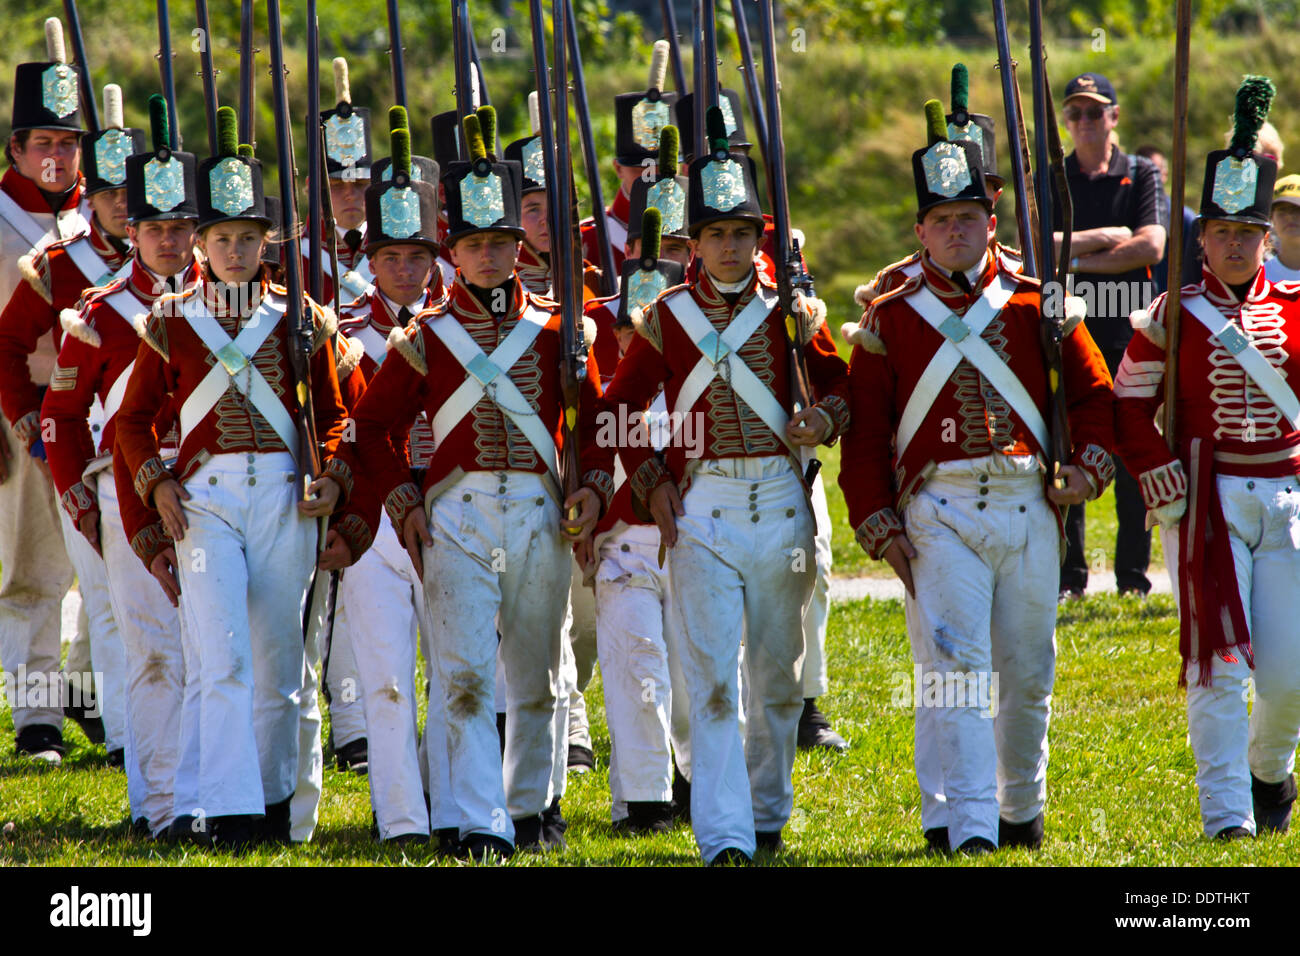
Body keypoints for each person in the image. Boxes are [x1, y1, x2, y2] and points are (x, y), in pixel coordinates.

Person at [324, 116, 604, 861]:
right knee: (465, 678)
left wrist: (595, 491)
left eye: (500, 244)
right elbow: (372, 427)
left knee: (538, 677)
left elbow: (594, 425)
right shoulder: (427, 338)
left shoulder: (554, 331)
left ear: (519, 249)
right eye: (475, 246)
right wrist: (405, 502)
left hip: (540, 517)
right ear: (455, 253)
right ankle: (479, 820)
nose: (488, 257)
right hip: (458, 518)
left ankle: (536, 805)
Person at [841, 101, 1115, 853]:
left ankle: (1019, 811)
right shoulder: (888, 318)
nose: (957, 231)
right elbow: (864, 436)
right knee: (956, 674)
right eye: (942, 220)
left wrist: (1088, 471)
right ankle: (967, 827)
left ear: (991, 222)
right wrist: (877, 520)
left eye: (970, 216)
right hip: (941, 511)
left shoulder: (1038, 300)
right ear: (920, 231)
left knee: (1028, 675)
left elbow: (1095, 396)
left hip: (1027, 504)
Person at [592, 107, 848, 865]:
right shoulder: (666, 317)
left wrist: (822, 421)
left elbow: (845, 391)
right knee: (709, 683)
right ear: (693, 244)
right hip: (702, 508)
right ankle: (725, 836)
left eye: (743, 234)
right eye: (716, 235)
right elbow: (617, 412)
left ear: (758, 239)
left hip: (780, 500)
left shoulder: (792, 313)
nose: (730, 247)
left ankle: (766, 813)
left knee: (777, 680)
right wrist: (650, 484)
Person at [114, 107, 351, 849]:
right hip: (207, 502)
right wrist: (156, 484)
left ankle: (276, 801)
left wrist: (333, 479)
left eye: (249, 237)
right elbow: (130, 422)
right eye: (222, 239)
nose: (237, 251)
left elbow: (340, 416)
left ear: (266, 241)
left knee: (281, 661)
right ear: (201, 245)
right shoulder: (171, 320)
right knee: (221, 658)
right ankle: (228, 809)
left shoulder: (301, 317)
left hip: (285, 497)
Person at [1115, 76, 1300, 839]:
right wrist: (1156, 461)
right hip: (1209, 501)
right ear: (1202, 238)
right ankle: (1227, 815)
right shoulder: (1171, 316)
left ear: (1266, 238)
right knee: (1219, 669)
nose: (1232, 244)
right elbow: (1128, 402)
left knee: (1288, 677)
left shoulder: (1294, 308)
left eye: (1246, 232)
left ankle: (1268, 772)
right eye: (1220, 231)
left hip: (1287, 493)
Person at [41, 93, 200, 836]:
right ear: (130, 230)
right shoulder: (102, 311)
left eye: (181, 228)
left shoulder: (224, 305)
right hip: (125, 491)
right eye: (156, 229)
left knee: (218, 650)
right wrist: (79, 501)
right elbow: (63, 418)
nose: (170, 242)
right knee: (150, 651)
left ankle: (218, 796)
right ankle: (158, 804)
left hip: (213, 487)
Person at [329, 114, 453, 845]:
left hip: (448, 508)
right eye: (392, 256)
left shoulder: (456, 328)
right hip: (376, 515)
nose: (405, 270)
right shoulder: (339, 329)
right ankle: (400, 817)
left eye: (418, 256)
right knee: (383, 677)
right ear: (369, 260)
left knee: (455, 672)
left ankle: (447, 801)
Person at [0, 22, 98, 765]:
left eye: (68, 144)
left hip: (97, 413)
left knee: (105, 560)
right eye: (43, 144)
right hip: (18, 410)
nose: (57, 157)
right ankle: (35, 714)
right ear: (16, 151)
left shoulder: (105, 218)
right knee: (30, 569)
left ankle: (91, 691)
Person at [1054, 72, 1165, 600]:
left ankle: (1132, 580)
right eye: (1075, 113)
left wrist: (1075, 258)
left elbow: (1151, 247)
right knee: (1067, 447)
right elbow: (1037, 242)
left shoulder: (1141, 173)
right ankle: (1070, 578)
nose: (1084, 122)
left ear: (1113, 117)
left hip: (1127, 331)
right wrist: (1105, 238)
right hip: (1069, 329)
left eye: (1094, 112)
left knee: (1130, 456)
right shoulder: (1054, 175)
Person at [1265, 175, 1300, 282]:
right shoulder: (1260, 276)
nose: (1289, 216)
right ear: (1272, 219)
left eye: (1297, 209)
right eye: (1282, 210)